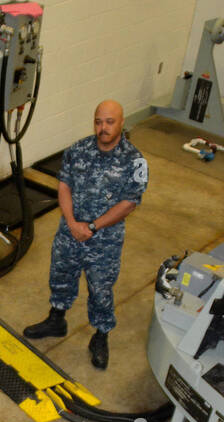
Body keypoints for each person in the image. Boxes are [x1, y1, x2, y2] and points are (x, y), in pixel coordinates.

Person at [24, 100, 146, 370]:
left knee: (101, 289)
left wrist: (92, 227)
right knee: (61, 275)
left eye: (110, 122)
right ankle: (56, 319)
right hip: (70, 232)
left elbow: (129, 203)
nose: (103, 128)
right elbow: (64, 184)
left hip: (104, 240)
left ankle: (100, 336)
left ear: (122, 122)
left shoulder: (135, 161)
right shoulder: (77, 150)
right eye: (98, 121)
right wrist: (71, 221)